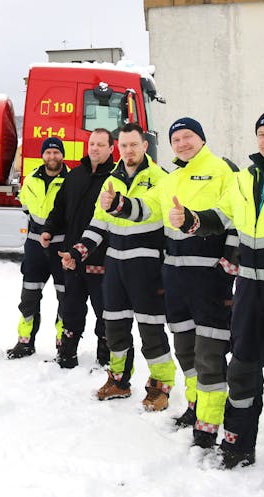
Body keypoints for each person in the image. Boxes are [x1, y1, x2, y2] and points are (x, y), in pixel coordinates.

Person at [170, 107, 264, 467]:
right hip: (249, 292)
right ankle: (238, 445)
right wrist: (193, 220)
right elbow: (223, 216)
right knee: (242, 369)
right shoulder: (246, 176)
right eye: (263, 134)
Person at [106, 117, 238, 447]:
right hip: (176, 276)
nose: (182, 143)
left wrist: (229, 263)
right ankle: (196, 407)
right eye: (176, 139)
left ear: (202, 139)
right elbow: (150, 210)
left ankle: (210, 423)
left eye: (188, 136)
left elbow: (236, 216)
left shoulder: (224, 170)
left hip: (209, 276)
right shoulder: (171, 178)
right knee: (186, 350)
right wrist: (120, 205)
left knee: (210, 354)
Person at [79, 123, 174, 410]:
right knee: (114, 327)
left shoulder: (160, 178)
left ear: (145, 146)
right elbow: (99, 222)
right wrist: (79, 249)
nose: (129, 151)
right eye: (123, 146)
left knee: (150, 330)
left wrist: (119, 204)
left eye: (134, 145)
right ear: (117, 148)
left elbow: (149, 210)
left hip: (146, 267)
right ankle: (119, 381)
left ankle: (160, 386)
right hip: (115, 265)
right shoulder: (112, 179)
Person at [42, 128, 114, 369]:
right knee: (70, 307)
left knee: (104, 310)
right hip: (72, 257)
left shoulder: (114, 179)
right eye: (92, 143)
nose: (94, 148)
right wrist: (48, 229)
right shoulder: (75, 175)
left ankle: (105, 356)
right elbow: (59, 208)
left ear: (111, 149)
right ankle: (67, 353)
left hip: (102, 259)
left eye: (100, 145)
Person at [6, 137, 69, 359]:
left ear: (62, 155)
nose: (52, 157)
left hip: (61, 246)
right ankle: (25, 342)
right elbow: (25, 206)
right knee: (29, 297)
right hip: (35, 246)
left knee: (65, 297)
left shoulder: (71, 181)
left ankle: (64, 345)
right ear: (43, 155)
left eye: (56, 152)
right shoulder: (31, 179)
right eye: (48, 153)